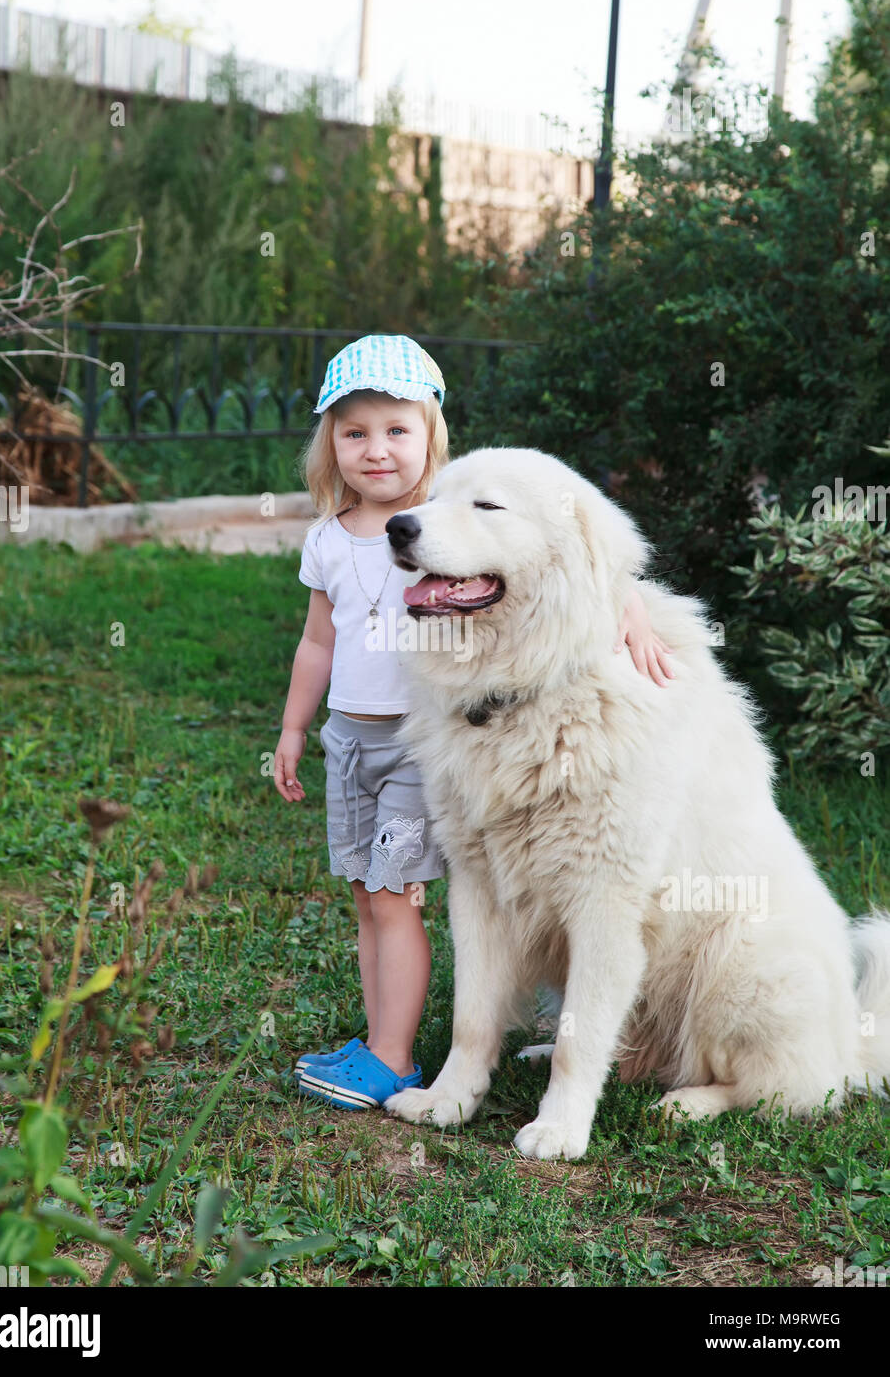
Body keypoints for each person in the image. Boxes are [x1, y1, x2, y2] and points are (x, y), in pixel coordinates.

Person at [273, 333, 674, 1111]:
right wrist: (294, 728)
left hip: (413, 747)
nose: (375, 450)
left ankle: (391, 1055)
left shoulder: (450, 514)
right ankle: (383, 1037)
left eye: (396, 430)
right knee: (368, 895)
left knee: (396, 899)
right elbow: (316, 639)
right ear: (329, 446)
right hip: (356, 740)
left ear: (429, 441)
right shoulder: (334, 539)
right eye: (353, 433)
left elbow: (579, 560)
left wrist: (630, 610)